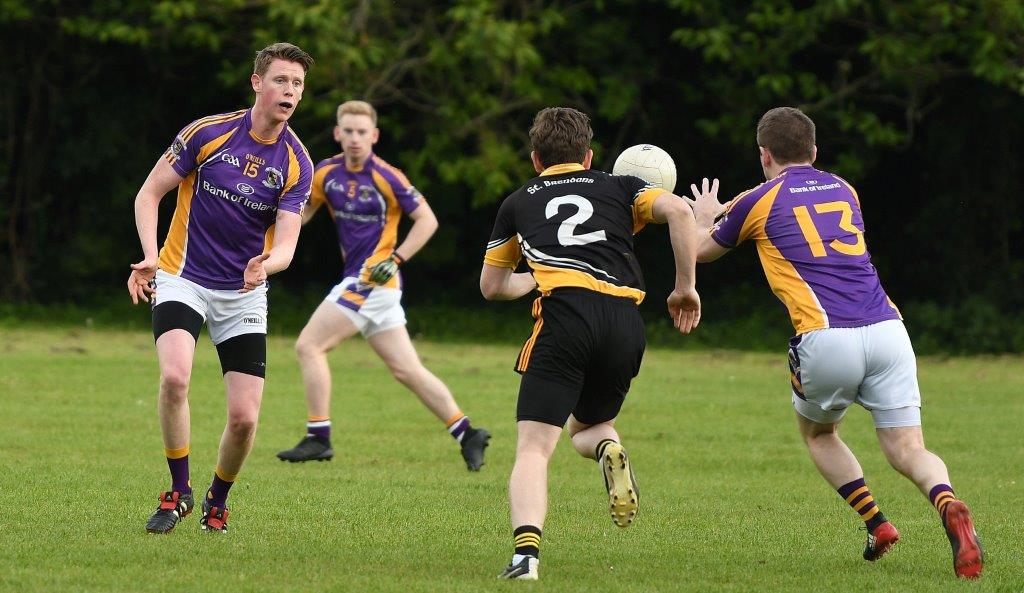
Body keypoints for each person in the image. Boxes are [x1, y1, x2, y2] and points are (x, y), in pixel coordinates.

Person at [685, 106, 983, 579]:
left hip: (825, 336)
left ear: (764, 154)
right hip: (889, 330)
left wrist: (701, 217)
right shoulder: (845, 189)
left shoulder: (757, 200)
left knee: (820, 433)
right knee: (908, 449)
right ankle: (947, 501)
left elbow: (700, 250)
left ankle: (877, 523)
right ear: (815, 151)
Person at [481, 107, 702, 580]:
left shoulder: (518, 202)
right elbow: (681, 212)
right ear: (589, 156)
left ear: (536, 159)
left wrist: (537, 277)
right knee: (590, 427)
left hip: (564, 318)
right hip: (624, 322)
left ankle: (525, 559)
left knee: (535, 448)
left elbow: (492, 286)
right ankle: (608, 450)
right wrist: (685, 288)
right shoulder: (619, 188)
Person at [127, 42, 315, 534]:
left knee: (245, 419)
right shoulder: (208, 133)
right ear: (257, 82)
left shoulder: (297, 162)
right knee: (174, 379)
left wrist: (266, 267)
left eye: (296, 83)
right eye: (280, 80)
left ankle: (217, 498)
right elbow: (149, 194)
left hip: (243, 292)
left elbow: (288, 246)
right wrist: (149, 255)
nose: (289, 90)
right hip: (181, 276)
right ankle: (179, 491)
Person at [275, 100, 491, 470]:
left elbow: (427, 220)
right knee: (407, 370)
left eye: (362, 132)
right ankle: (467, 433)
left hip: (371, 280)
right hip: (371, 287)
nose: (355, 139)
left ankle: (318, 437)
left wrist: (395, 259)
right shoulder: (325, 172)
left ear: (374, 136)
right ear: (337, 133)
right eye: (349, 131)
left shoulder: (387, 176)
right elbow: (304, 210)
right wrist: (276, 240)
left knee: (309, 346)